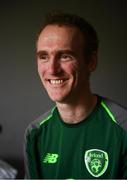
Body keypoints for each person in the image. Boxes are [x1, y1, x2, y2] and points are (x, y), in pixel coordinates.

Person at [24, 12, 127, 179]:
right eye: (44, 56)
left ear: (91, 62)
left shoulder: (123, 130)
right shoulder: (35, 133)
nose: (52, 70)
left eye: (65, 56)